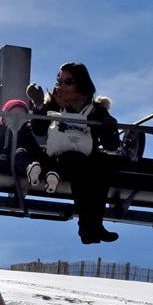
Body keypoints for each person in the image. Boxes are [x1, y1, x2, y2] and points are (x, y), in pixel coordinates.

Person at [27, 61, 122, 245]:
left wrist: (109, 125)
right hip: (61, 159)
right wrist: (39, 106)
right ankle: (87, 226)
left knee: (100, 165)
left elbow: (111, 144)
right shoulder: (52, 105)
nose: (61, 85)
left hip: (87, 160)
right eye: (59, 80)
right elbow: (38, 129)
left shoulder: (95, 111)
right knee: (78, 164)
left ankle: (94, 224)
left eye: (67, 81)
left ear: (80, 83)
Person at [0, 98, 46, 179]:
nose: (17, 119)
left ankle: (35, 171)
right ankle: (29, 169)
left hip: (24, 160)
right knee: (19, 153)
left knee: (21, 153)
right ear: (4, 120)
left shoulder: (28, 136)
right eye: (13, 115)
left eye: (21, 116)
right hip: (5, 161)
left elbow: (37, 150)